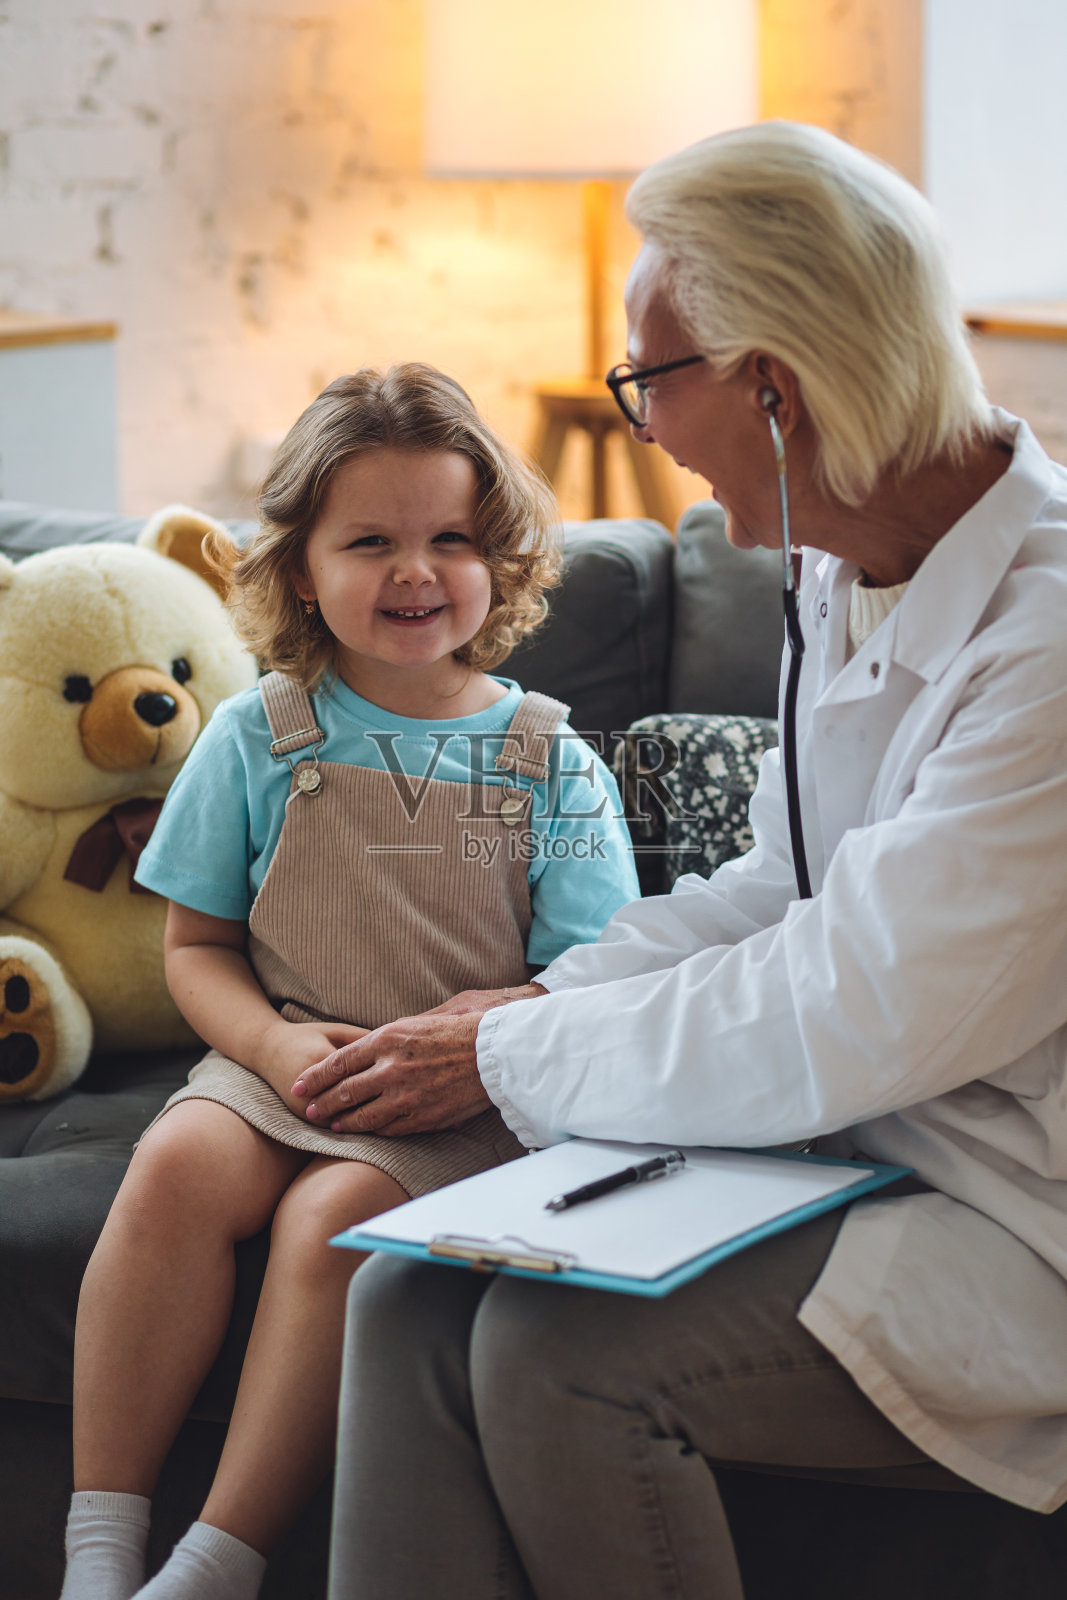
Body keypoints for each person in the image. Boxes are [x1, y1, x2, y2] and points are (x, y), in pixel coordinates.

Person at [299, 124, 1067, 1598]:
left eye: (646, 379)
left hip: (1017, 1226)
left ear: (771, 387)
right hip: (869, 1152)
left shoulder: (1047, 642)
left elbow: (853, 1005)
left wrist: (517, 1057)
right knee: (400, 1285)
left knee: (556, 1352)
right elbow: (770, 882)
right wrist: (526, 1010)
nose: (637, 425)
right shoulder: (844, 573)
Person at [58, 363, 639, 1600]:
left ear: (500, 562)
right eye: (369, 540)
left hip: (455, 1102)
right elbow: (198, 951)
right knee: (172, 1168)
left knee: (331, 1223)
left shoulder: (551, 759)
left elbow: (586, 985)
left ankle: (216, 1560)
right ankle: (99, 1548)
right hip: (276, 1055)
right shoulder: (255, 734)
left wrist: (472, 1056)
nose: (414, 572)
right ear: (301, 566)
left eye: (449, 540)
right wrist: (269, 1049)